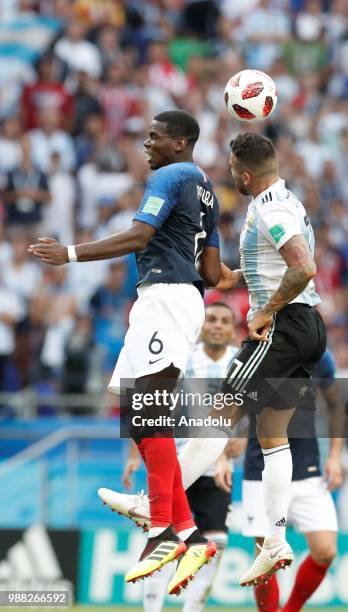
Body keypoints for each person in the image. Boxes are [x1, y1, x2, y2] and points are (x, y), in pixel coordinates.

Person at [101, 132, 327, 588]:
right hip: (308, 329)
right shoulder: (289, 202)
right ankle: (278, 540)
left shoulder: (270, 209)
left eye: (231, 169)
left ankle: (157, 506)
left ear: (245, 175)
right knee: (272, 435)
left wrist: (264, 308)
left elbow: (303, 268)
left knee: (218, 417)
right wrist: (236, 277)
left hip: (282, 328)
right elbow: (285, 265)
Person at [28, 110, 221, 595]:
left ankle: (160, 531)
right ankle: (191, 537)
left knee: (150, 414)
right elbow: (215, 273)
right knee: (137, 415)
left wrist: (69, 254)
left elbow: (139, 236)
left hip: (167, 299)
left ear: (180, 142)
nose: (147, 143)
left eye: (155, 136)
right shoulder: (208, 191)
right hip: (173, 297)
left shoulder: (171, 175)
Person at [101, 302, 244, 612]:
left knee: (215, 544)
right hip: (175, 462)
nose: (217, 326)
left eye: (224, 321)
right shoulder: (183, 356)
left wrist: (238, 441)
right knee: (166, 538)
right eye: (212, 320)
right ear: (202, 327)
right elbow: (148, 406)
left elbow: (248, 414)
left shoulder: (238, 362)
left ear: (233, 329)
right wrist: (133, 456)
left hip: (216, 472)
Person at [241, 349, 342, 612]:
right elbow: (231, 405)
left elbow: (335, 405)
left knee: (325, 551)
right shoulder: (252, 354)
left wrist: (335, 455)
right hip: (260, 470)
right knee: (266, 558)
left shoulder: (319, 356)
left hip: (307, 469)